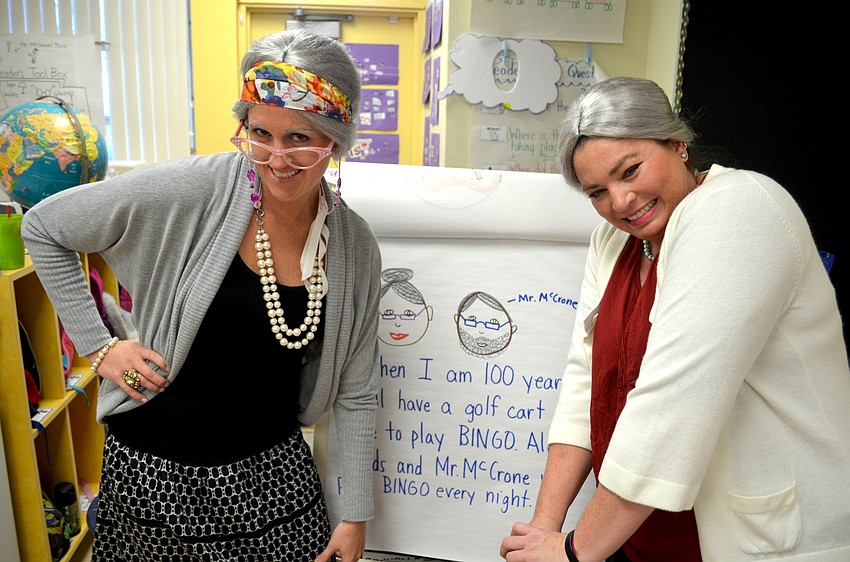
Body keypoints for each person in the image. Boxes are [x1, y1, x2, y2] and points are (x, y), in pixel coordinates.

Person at [21, 29, 381, 562]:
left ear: (337, 139)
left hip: (274, 485)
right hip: (154, 480)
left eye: (300, 138)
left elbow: (357, 391)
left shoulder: (354, 247)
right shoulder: (195, 188)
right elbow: (45, 227)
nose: (277, 159)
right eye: (260, 134)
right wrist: (100, 347)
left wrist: (354, 516)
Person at [499, 76, 850, 561]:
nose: (620, 202)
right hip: (636, 533)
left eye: (630, 171)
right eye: (597, 192)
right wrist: (543, 528)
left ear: (677, 143)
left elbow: (673, 402)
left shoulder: (739, 208)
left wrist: (574, 551)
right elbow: (586, 382)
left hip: (754, 535)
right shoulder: (614, 241)